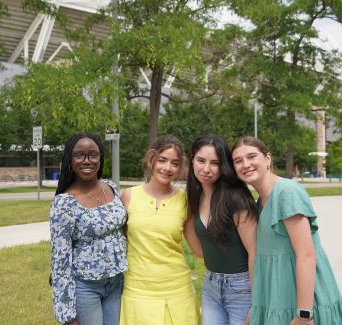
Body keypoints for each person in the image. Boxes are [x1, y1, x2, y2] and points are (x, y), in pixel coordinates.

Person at [231, 136, 342, 325]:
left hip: (303, 303)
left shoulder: (286, 192)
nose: (245, 164)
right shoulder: (260, 203)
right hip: (277, 298)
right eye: (238, 161)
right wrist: (257, 307)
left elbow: (306, 255)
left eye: (251, 156)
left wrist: (304, 316)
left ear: (268, 159)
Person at [119, 135, 200, 325]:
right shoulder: (128, 196)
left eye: (175, 163)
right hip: (138, 290)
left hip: (178, 291)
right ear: (151, 160)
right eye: (162, 160)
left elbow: (198, 249)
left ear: (180, 169)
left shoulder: (185, 200)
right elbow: (115, 241)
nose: (167, 168)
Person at [50, 132, 127, 325]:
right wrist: (66, 314)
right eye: (79, 155)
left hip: (116, 282)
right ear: (70, 159)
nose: (87, 160)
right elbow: (60, 260)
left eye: (93, 154)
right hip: (85, 288)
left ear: (100, 158)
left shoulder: (110, 187)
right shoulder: (64, 203)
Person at [185, 134, 258, 325]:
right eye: (201, 160)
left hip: (241, 287)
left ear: (223, 166)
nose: (206, 169)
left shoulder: (236, 198)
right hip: (211, 285)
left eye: (215, 163)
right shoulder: (196, 196)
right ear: (192, 159)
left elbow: (255, 252)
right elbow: (200, 252)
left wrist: (256, 301)